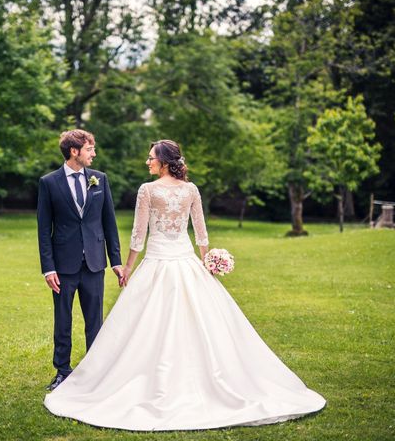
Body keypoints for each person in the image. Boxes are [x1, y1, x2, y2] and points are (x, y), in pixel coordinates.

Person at [43, 139, 326, 430]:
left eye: (151, 157)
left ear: (164, 162)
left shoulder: (148, 190)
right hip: (186, 261)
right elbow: (201, 233)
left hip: (156, 263)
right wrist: (208, 262)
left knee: (144, 324)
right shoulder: (191, 190)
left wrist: (128, 266)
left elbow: (138, 236)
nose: (147, 161)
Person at [37, 129, 123, 391]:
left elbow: (109, 222)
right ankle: (62, 370)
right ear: (74, 151)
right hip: (63, 266)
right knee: (63, 319)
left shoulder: (100, 179)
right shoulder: (49, 183)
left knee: (94, 321)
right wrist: (48, 268)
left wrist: (116, 260)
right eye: (90, 149)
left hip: (94, 263)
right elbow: (44, 229)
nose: (94, 153)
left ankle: (94, 372)